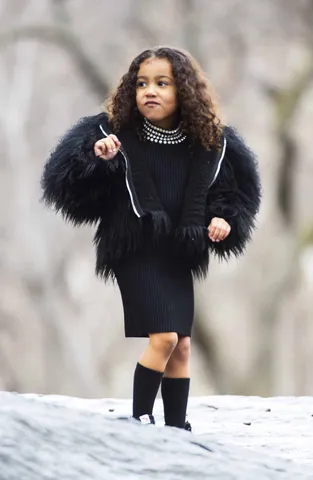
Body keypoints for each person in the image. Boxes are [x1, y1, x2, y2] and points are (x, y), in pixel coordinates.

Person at [41, 46, 261, 431]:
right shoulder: (108, 134)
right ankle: (141, 421)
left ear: (185, 91)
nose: (150, 91)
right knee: (163, 338)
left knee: (182, 346)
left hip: (178, 253)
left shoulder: (212, 144)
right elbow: (65, 188)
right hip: (134, 250)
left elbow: (234, 197)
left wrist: (224, 220)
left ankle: (177, 429)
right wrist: (96, 159)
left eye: (162, 83)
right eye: (141, 83)